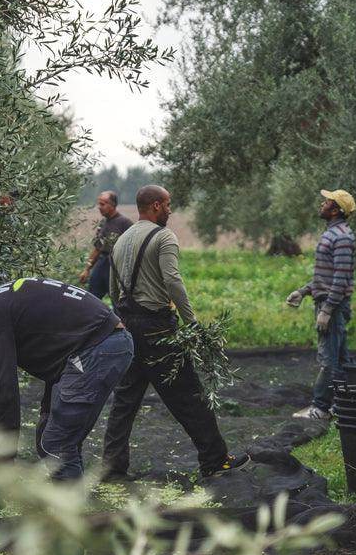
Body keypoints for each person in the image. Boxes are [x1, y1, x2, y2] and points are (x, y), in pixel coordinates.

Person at [101, 185, 249, 480]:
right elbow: (173, 281)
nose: (170, 210)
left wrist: (123, 321)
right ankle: (214, 460)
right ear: (155, 206)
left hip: (128, 327)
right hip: (158, 329)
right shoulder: (164, 236)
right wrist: (192, 323)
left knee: (124, 399)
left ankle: (112, 467)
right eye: (168, 204)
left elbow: (113, 291)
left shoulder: (120, 242)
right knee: (189, 394)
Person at [0, 276, 134, 480]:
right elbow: (57, 351)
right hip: (98, 345)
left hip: (100, 347)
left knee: (56, 445)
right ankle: (67, 502)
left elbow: (5, 392)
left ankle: (70, 512)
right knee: (48, 435)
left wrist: (4, 462)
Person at [285, 189, 356, 420]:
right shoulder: (332, 234)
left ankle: (320, 408)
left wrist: (327, 310)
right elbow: (325, 276)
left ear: (335, 210)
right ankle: (342, 405)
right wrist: (303, 291)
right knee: (340, 358)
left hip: (332, 305)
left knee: (328, 359)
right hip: (328, 301)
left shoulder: (342, 237)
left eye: (327, 201)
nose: (322, 204)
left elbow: (341, 277)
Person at [78, 191, 133, 299]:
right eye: (99, 204)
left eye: (103, 204)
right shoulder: (103, 223)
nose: (99, 207)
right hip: (101, 265)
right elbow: (97, 248)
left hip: (116, 267)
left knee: (118, 302)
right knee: (91, 299)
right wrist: (87, 269)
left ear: (112, 205)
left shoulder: (125, 223)